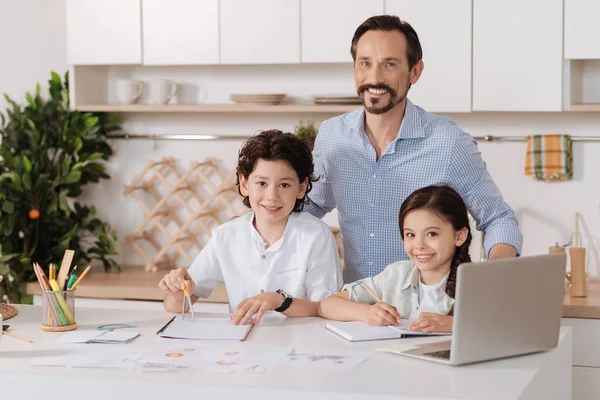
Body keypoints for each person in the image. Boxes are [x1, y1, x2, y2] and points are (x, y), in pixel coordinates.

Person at [305, 15, 522, 283]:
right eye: (365, 63)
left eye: (389, 65)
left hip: (427, 311)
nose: (374, 78)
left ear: (415, 72)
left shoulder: (448, 142)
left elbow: (498, 219)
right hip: (356, 307)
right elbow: (310, 206)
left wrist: (490, 280)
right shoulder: (332, 136)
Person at [159, 130, 343, 325]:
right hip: (242, 348)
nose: (272, 196)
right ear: (244, 183)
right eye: (262, 183)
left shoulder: (315, 236)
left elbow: (326, 308)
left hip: (300, 347)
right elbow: (175, 306)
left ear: (301, 187)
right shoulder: (226, 235)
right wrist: (177, 289)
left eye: (284, 185)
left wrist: (279, 301)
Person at [319, 185, 471, 333]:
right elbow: (326, 306)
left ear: (459, 236)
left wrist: (457, 324)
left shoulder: (477, 283)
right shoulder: (396, 275)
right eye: (410, 235)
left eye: (432, 234)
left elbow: (493, 330)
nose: (419, 245)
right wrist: (366, 313)